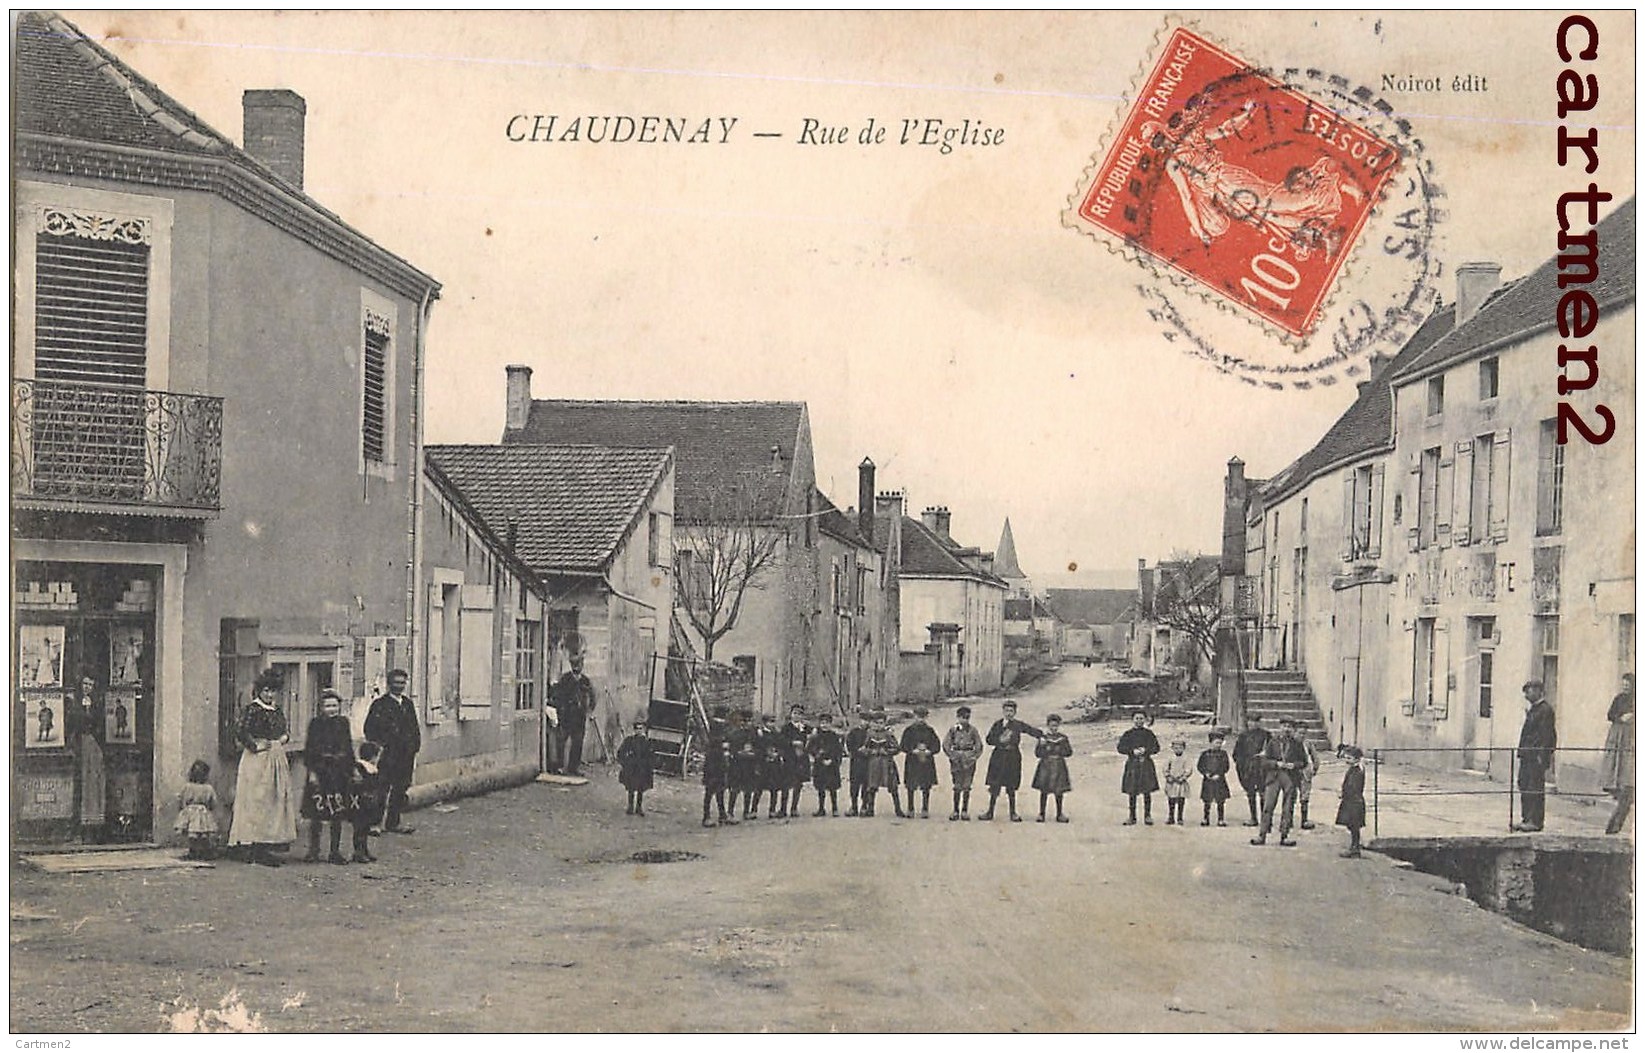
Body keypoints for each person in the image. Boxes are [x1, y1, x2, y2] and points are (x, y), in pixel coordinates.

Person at [228, 669, 296, 867]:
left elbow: (284, 731)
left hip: (275, 760)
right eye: (266, 691)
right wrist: (256, 745)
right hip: (256, 761)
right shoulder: (253, 709)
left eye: (273, 691)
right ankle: (252, 845)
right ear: (259, 691)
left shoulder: (277, 710)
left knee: (272, 801)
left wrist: (283, 739)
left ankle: (266, 845)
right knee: (255, 800)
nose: (269, 695)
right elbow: (240, 731)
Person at [301, 689, 356, 865]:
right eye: (327, 706)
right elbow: (309, 750)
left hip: (338, 774)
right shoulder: (316, 724)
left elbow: (348, 747)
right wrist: (312, 773)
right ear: (321, 708)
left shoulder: (343, 723)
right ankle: (314, 850)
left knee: (336, 813)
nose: (331, 709)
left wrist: (351, 769)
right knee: (316, 814)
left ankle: (335, 851)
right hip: (320, 772)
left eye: (334, 706)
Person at [364, 669, 420, 835]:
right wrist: (381, 745)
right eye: (396, 682)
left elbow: (414, 728)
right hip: (387, 755)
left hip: (405, 756)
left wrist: (414, 747)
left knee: (400, 789)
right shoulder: (380, 705)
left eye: (402, 683)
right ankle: (375, 823)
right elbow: (369, 729)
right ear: (389, 684)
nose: (399, 686)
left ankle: (393, 823)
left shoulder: (408, 704)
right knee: (381, 789)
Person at [1251, 718, 1309, 847]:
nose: (1286, 729)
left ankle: (1284, 836)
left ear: (1292, 729)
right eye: (1284, 726)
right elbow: (1264, 761)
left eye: (1289, 726)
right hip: (1274, 776)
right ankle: (1262, 835)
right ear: (1280, 727)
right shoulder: (1272, 742)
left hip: (1290, 777)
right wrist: (1276, 763)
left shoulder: (1297, 743)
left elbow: (1304, 762)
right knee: (1268, 806)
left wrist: (1293, 765)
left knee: (1288, 807)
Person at [982, 700, 1042, 822]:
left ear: (1015, 712)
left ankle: (1013, 813)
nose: (1009, 713)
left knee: (1011, 785)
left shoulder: (1018, 725)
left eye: (1011, 711)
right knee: (995, 785)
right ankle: (990, 812)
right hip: (998, 757)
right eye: (1006, 710)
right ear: (1003, 711)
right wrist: (999, 740)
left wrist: (1042, 736)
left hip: (1012, 757)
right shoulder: (997, 725)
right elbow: (989, 739)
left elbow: (1030, 730)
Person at [1514, 680, 1557, 832]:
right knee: (1524, 784)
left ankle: (1535, 821)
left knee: (1535, 787)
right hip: (1527, 755)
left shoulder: (1545, 710)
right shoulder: (1534, 709)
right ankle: (1526, 818)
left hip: (1536, 756)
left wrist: (1543, 756)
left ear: (1539, 691)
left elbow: (1548, 735)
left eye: (1529, 691)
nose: (1526, 695)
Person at [549, 653, 596, 777]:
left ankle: (573, 767)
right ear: (571, 665)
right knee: (561, 741)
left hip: (579, 717)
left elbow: (592, 697)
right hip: (566, 716)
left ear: (582, 665)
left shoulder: (585, 681)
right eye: (574, 664)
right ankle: (558, 766)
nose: (577, 667)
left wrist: (589, 710)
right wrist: (560, 709)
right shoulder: (565, 679)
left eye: (579, 664)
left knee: (577, 743)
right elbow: (557, 695)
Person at [73, 675, 106, 844]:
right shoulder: (74, 702)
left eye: (90, 685)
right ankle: (77, 827)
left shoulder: (97, 704)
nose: (87, 687)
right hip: (78, 746)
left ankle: (93, 827)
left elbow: (99, 724)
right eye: (85, 684)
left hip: (93, 745)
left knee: (93, 784)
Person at [1604, 674, 1635, 835]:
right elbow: (1610, 714)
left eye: (1628, 686)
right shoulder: (1619, 699)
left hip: (1632, 736)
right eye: (1624, 685)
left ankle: (1614, 826)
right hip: (1619, 734)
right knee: (1618, 762)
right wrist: (1620, 717)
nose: (1625, 688)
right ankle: (1616, 785)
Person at [1117, 711, 1161, 825]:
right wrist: (1132, 751)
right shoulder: (1128, 734)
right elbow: (1120, 748)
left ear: (1145, 720)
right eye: (1137, 718)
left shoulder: (1149, 734)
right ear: (1133, 720)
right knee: (1132, 791)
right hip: (1133, 764)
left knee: (1147, 791)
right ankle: (1132, 817)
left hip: (1146, 764)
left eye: (1141, 718)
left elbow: (1156, 747)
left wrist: (1146, 750)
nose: (1139, 721)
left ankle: (1147, 816)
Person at [943, 705, 985, 821]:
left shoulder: (973, 730)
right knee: (957, 785)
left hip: (969, 760)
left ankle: (965, 810)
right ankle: (955, 810)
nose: (964, 720)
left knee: (967, 785)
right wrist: (952, 755)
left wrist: (974, 757)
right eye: (962, 717)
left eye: (967, 717)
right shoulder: (953, 730)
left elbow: (979, 745)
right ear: (957, 717)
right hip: (956, 760)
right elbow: (946, 744)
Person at [899, 706, 942, 818]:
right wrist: (912, 750)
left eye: (923, 717)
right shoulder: (909, 730)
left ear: (926, 717)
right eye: (918, 717)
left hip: (926, 762)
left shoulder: (930, 730)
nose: (920, 719)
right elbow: (903, 745)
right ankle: (910, 808)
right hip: (912, 761)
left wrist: (930, 751)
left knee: (926, 785)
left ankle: (925, 809)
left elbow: (937, 746)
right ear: (914, 716)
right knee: (910, 785)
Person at [1031, 713, 1074, 823]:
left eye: (1056, 726)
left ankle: (1059, 814)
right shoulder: (1043, 738)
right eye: (1051, 726)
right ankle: (1041, 813)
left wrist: (1060, 750)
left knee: (1059, 791)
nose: (1054, 728)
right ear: (1047, 726)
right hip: (1046, 765)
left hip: (1059, 765)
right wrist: (1043, 746)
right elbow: (1037, 753)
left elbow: (1069, 752)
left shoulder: (1063, 738)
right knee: (1044, 790)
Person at [175, 760, 220, 860]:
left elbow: (181, 798)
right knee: (203, 833)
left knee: (193, 834)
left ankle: (194, 851)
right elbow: (213, 802)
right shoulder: (208, 788)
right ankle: (203, 851)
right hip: (203, 812)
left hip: (190, 812)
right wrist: (209, 809)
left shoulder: (188, 787)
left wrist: (183, 809)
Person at [862, 715, 903, 818]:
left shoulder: (888, 734)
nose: (879, 725)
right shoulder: (870, 734)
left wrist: (887, 751)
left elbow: (897, 748)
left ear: (885, 723)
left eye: (881, 723)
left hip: (887, 763)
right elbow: (864, 748)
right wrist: (872, 751)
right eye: (876, 723)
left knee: (893, 786)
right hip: (874, 763)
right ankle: (870, 809)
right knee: (872, 786)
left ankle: (898, 809)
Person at [1233, 714, 1270, 827]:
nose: (1253, 724)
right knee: (1251, 793)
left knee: (1263, 793)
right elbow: (1236, 753)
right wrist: (1242, 765)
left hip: (1262, 768)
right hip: (1248, 768)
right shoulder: (1243, 736)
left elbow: (1273, 750)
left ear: (1260, 723)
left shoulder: (1266, 735)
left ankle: (1265, 819)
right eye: (1251, 721)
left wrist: (1265, 755)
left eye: (1256, 721)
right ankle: (1253, 818)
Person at [349, 741, 382, 863]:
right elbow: (357, 785)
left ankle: (364, 849)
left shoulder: (372, 769)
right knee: (359, 829)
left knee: (365, 828)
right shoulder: (361, 768)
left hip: (369, 803)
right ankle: (358, 852)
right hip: (361, 804)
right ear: (372, 756)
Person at [700, 708, 734, 828]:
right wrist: (723, 743)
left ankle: (722, 814)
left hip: (720, 762)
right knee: (710, 790)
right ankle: (706, 816)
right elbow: (714, 742)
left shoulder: (719, 727)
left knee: (720, 789)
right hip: (713, 763)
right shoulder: (715, 727)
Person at [807, 712, 844, 817]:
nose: (824, 725)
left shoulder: (833, 736)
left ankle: (835, 808)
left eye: (827, 723)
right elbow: (810, 748)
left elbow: (838, 750)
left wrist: (832, 760)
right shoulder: (816, 736)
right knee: (821, 788)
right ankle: (821, 808)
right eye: (822, 723)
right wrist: (818, 757)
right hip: (820, 765)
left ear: (830, 724)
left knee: (833, 788)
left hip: (832, 766)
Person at [617, 717, 654, 816]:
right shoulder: (629, 740)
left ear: (643, 730)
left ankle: (639, 807)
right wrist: (625, 763)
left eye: (641, 728)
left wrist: (649, 767)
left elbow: (651, 755)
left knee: (641, 789)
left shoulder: (647, 742)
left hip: (642, 768)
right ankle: (630, 806)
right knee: (631, 788)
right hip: (632, 768)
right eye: (637, 728)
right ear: (634, 730)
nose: (639, 730)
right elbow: (621, 752)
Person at [779, 707, 811, 820]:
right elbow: (781, 741)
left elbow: (811, 740)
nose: (797, 716)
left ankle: (794, 808)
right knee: (786, 785)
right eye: (795, 713)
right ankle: (783, 809)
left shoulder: (806, 728)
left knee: (798, 784)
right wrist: (792, 742)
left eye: (800, 714)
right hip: (790, 758)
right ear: (791, 714)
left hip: (801, 759)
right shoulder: (786, 728)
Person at [1196, 730, 1232, 826]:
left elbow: (1226, 766)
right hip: (1208, 781)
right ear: (1211, 743)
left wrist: (1219, 774)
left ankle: (1220, 819)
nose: (1218, 745)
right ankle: (1205, 818)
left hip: (1219, 780)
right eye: (1216, 743)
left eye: (1220, 743)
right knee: (1207, 801)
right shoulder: (1204, 754)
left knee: (1220, 801)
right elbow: (1200, 766)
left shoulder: (1223, 754)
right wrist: (1205, 773)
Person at [1337, 746, 1367, 858]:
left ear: (1356, 759)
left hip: (1354, 802)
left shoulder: (1358, 771)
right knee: (1351, 825)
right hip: (1350, 800)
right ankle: (1355, 846)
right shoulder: (1353, 769)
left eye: (1349, 758)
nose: (1346, 760)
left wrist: (1345, 794)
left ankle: (1355, 848)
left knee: (1354, 825)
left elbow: (1353, 786)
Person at [758, 713, 788, 819]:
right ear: (764, 723)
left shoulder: (776, 733)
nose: (772, 724)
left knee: (774, 788)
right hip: (763, 763)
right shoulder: (759, 733)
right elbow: (758, 746)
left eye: (773, 722)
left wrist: (777, 754)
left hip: (775, 764)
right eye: (770, 722)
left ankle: (772, 810)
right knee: (759, 787)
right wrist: (765, 755)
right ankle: (753, 809)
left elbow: (782, 745)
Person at [1161, 737, 1192, 826]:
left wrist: (1184, 777)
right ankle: (1171, 816)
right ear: (1172, 748)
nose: (1178, 750)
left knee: (1181, 799)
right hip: (1172, 782)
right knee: (1171, 799)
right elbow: (1165, 767)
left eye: (1180, 748)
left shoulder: (1186, 758)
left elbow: (1188, 769)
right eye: (1176, 748)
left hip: (1181, 781)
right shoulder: (1170, 758)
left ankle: (1180, 817)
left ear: (1183, 748)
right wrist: (1168, 776)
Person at [845, 711, 872, 817]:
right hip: (856, 761)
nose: (865, 722)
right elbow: (849, 745)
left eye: (867, 721)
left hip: (868, 762)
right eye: (863, 720)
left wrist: (868, 751)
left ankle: (864, 806)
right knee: (854, 785)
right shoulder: (854, 732)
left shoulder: (871, 733)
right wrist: (857, 750)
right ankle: (854, 806)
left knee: (866, 785)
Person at [1296, 732, 1321, 830]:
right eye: (1299, 732)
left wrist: (1315, 769)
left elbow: (1315, 757)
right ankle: (1288, 820)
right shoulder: (1292, 743)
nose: (1301, 735)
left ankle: (1304, 820)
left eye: (1303, 733)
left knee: (1304, 797)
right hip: (1293, 772)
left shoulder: (1308, 744)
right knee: (1291, 796)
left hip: (1305, 772)